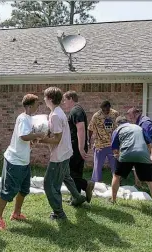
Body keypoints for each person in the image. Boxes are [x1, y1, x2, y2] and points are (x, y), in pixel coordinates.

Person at [0, 94, 46, 230]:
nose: (38, 106)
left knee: (24, 189)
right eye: (37, 104)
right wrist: (38, 135)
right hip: (14, 161)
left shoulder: (29, 119)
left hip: (23, 161)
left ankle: (16, 213)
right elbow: (23, 136)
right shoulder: (23, 118)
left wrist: (33, 141)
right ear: (29, 105)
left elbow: (26, 139)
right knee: (9, 191)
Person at [39, 87, 86, 220]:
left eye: (45, 97)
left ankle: (58, 213)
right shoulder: (57, 112)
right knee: (66, 176)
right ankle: (78, 197)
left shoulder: (55, 115)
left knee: (50, 184)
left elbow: (57, 139)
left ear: (50, 99)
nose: (44, 99)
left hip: (59, 156)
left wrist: (39, 139)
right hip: (66, 152)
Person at [110, 116, 152, 210]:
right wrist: (148, 154)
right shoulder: (139, 127)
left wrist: (117, 155)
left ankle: (113, 200)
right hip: (143, 154)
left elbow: (114, 148)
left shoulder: (117, 130)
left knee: (116, 176)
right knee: (150, 182)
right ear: (127, 121)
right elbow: (150, 143)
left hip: (126, 154)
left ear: (117, 124)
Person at [62, 91, 95, 202]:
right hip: (76, 146)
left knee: (69, 173)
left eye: (65, 99)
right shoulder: (77, 110)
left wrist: (81, 148)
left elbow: (80, 128)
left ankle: (86, 185)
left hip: (76, 147)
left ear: (71, 98)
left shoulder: (76, 110)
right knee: (75, 172)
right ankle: (75, 197)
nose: (64, 102)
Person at [126, 107, 152, 195]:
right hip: (149, 149)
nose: (130, 119)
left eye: (131, 116)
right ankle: (138, 185)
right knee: (137, 165)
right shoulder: (139, 122)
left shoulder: (145, 123)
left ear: (136, 114)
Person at [88, 101, 119, 182]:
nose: (105, 111)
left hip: (112, 145)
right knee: (97, 166)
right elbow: (90, 128)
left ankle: (116, 182)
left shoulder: (115, 114)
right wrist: (89, 140)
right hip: (100, 145)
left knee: (114, 166)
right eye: (103, 110)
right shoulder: (96, 116)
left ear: (110, 107)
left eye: (107, 110)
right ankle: (96, 183)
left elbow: (119, 128)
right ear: (101, 108)